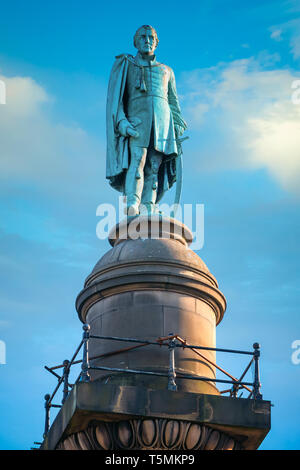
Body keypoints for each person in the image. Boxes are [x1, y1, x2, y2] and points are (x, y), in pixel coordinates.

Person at [106, 25, 187, 215]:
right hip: (137, 121)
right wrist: (122, 122)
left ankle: (149, 205)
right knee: (138, 159)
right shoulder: (126, 65)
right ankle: (132, 203)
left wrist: (177, 124)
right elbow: (116, 99)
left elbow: (173, 102)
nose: (147, 40)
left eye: (151, 37)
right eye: (142, 37)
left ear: (156, 42)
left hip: (162, 124)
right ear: (135, 41)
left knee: (154, 165)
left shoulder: (167, 70)